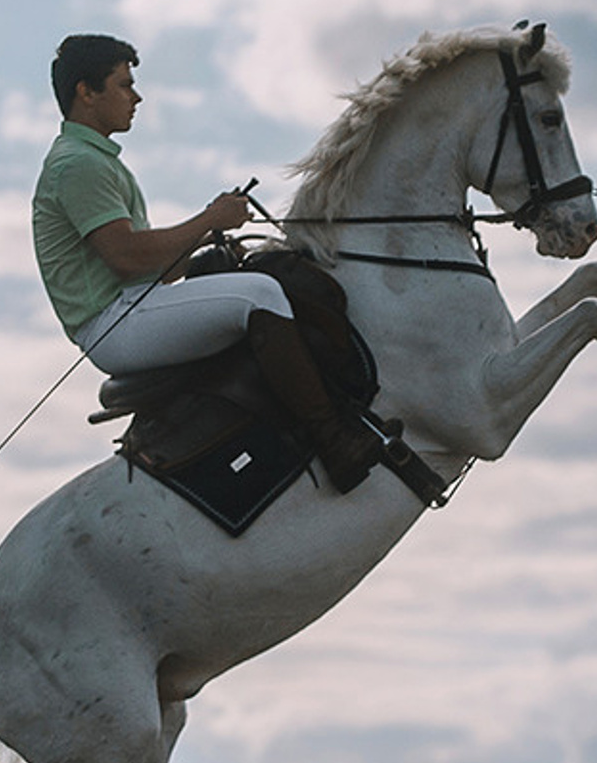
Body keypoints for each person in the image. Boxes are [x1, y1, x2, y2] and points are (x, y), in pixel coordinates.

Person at [34, 34, 377, 489]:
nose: (137, 97)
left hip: (134, 306)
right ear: (86, 92)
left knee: (250, 278)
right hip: (115, 323)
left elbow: (159, 268)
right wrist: (209, 218)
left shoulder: (97, 160)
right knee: (261, 294)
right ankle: (334, 442)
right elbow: (126, 257)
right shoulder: (78, 164)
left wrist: (209, 240)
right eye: (124, 85)